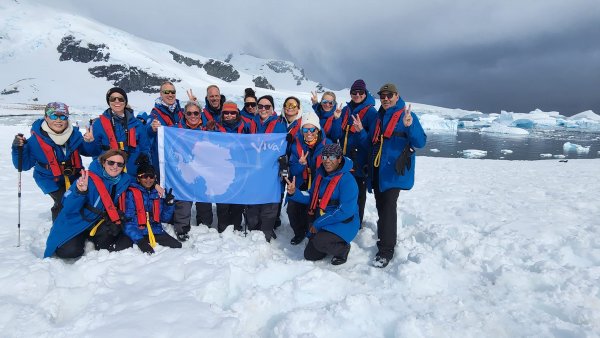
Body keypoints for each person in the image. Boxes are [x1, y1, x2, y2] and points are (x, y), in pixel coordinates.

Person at [366, 83, 427, 268]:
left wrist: (410, 127)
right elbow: (371, 141)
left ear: (397, 95)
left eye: (389, 95)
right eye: (382, 96)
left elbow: (420, 141)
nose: (385, 98)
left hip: (393, 172)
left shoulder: (406, 116)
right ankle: (385, 237)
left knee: (388, 208)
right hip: (378, 170)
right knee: (381, 207)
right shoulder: (379, 116)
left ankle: (386, 250)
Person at [12, 102, 100, 221]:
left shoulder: (75, 135)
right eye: (54, 116)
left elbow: (90, 152)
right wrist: (18, 149)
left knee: (82, 198)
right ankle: (60, 232)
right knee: (64, 202)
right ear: (46, 117)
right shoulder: (34, 141)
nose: (59, 120)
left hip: (74, 175)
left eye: (63, 116)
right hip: (49, 179)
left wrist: (90, 142)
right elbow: (23, 165)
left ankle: (81, 226)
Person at [44, 149, 133, 259]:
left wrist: (154, 186)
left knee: (108, 243)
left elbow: (140, 186)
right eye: (111, 162)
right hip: (78, 220)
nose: (115, 166)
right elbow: (68, 206)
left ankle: (91, 240)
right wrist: (80, 192)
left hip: (100, 221)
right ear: (103, 162)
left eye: (120, 164)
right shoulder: (87, 178)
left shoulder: (124, 180)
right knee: (68, 252)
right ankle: (80, 239)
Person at [285, 143, 359, 265]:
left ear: (339, 159)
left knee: (320, 241)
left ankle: (343, 249)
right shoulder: (320, 175)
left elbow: (344, 211)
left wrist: (318, 223)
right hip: (324, 220)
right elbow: (311, 196)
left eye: (332, 157)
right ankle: (326, 241)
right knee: (310, 255)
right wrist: (294, 193)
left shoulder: (348, 181)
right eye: (324, 157)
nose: (327, 161)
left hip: (343, 223)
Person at [327, 79, 378, 225]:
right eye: (354, 92)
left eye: (360, 92)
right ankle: (344, 217)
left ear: (365, 93)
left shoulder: (371, 113)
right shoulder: (345, 110)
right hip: (343, 160)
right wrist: (336, 120)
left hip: (360, 162)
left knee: (358, 194)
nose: (357, 95)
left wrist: (361, 131)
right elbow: (337, 135)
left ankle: (356, 221)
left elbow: (371, 144)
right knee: (343, 191)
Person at [246, 95, 287, 242]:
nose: (263, 109)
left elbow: (282, 148)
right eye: (261, 106)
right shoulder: (251, 124)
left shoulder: (279, 125)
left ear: (272, 109)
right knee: (254, 202)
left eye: (267, 107)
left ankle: (266, 230)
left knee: (268, 203)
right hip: (254, 170)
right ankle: (253, 227)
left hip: (270, 170)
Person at [172, 100, 213, 241]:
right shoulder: (176, 129)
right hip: (184, 170)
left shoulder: (207, 130)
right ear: (184, 114)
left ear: (200, 114)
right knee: (183, 200)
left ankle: (205, 226)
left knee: (204, 200)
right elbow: (163, 138)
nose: (193, 116)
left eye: (196, 113)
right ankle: (182, 228)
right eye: (189, 113)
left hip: (203, 171)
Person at [287, 111, 330, 245]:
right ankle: (299, 233)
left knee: (314, 211)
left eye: (312, 129)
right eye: (305, 129)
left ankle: (313, 232)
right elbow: (293, 170)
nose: (309, 132)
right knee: (292, 209)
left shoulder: (327, 144)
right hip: (301, 182)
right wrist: (301, 165)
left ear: (318, 130)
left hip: (320, 184)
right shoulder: (296, 146)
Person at [123, 161, 181, 254]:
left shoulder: (157, 194)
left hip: (156, 230)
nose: (148, 179)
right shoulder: (131, 194)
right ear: (138, 178)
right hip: (138, 231)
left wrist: (169, 205)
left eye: (151, 176)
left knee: (177, 247)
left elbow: (164, 218)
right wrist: (140, 241)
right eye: (144, 176)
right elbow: (128, 222)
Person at [210, 101, 252, 232]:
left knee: (237, 202)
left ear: (237, 113)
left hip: (240, 170)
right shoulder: (215, 127)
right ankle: (223, 228)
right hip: (221, 171)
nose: (229, 115)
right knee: (222, 203)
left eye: (232, 112)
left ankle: (236, 226)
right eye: (226, 113)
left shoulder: (246, 127)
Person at [92, 87, 150, 177]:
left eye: (120, 99)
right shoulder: (99, 124)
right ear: (109, 102)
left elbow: (145, 147)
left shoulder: (137, 124)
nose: (117, 101)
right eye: (112, 99)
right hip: (109, 172)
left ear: (125, 102)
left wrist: (144, 161)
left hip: (133, 171)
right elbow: (95, 151)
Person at [147, 81, 184, 175]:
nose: (170, 95)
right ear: (161, 94)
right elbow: (147, 131)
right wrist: (152, 129)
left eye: (173, 92)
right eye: (167, 92)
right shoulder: (155, 114)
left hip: (181, 160)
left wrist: (195, 105)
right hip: (164, 161)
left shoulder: (181, 112)